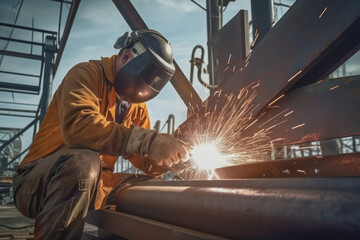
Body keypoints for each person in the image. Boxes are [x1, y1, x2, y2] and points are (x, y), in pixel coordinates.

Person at [12, 29, 189, 239]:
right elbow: (78, 128)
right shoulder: (86, 74)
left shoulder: (136, 106)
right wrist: (148, 141)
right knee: (84, 162)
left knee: (153, 190)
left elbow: (146, 161)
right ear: (126, 57)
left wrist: (175, 158)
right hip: (38, 181)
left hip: (95, 182)